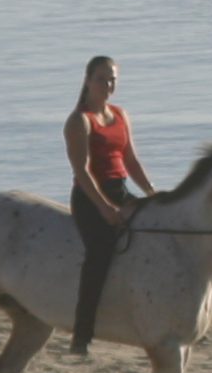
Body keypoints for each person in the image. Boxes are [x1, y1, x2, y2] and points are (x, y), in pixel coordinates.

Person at [66, 55, 155, 355]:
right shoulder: (79, 121)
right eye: (102, 78)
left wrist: (151, 192)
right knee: (100, 252)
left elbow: (130, 160)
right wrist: (104, 208)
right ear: (88, 81)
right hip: (90, 197)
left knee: (159, 227)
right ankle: (82, 334)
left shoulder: (120, 114)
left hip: (120, 190)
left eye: (113, 79)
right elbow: (82, 171)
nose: (108, 85)